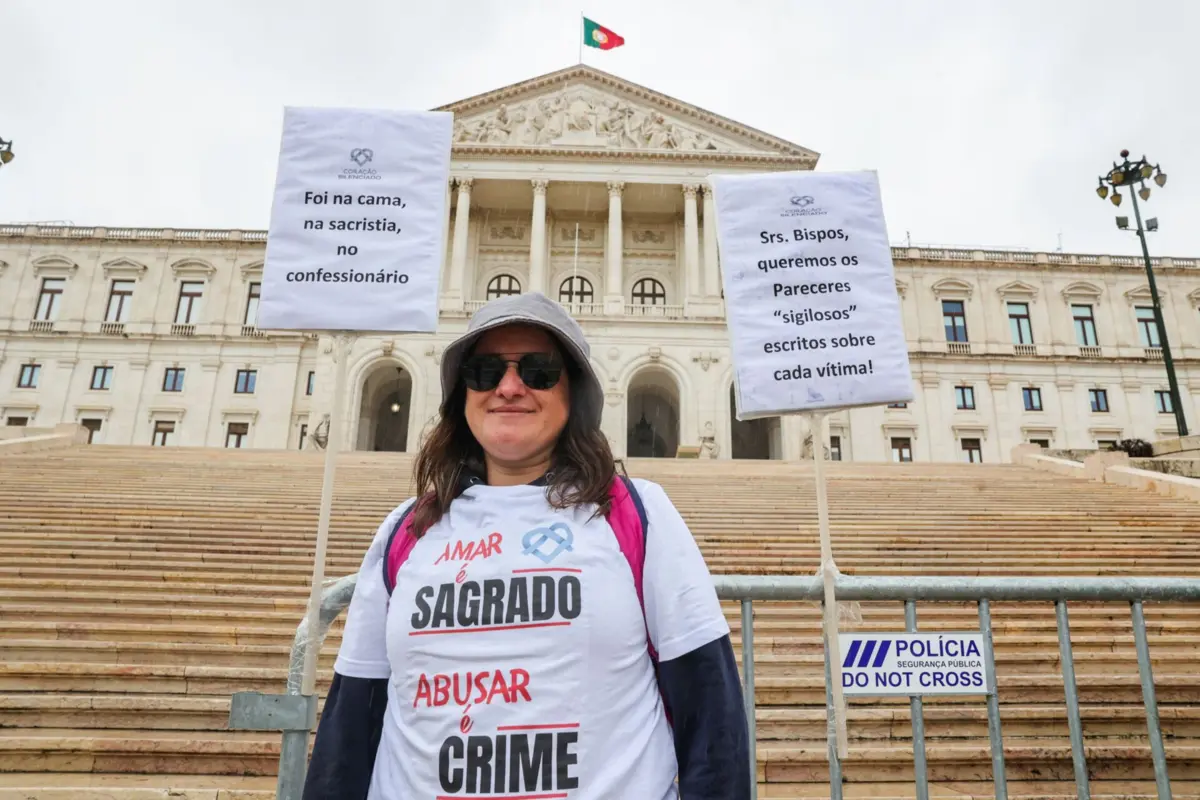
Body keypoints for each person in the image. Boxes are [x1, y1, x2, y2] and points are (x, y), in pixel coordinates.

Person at [304, 292, 750, 799]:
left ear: (574, 394)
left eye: (538, 370)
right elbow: (350, 727)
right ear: (461, 393)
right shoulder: (406, 531)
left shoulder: (635, 514)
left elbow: (712, 717)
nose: (509, 387)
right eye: (485, 371)